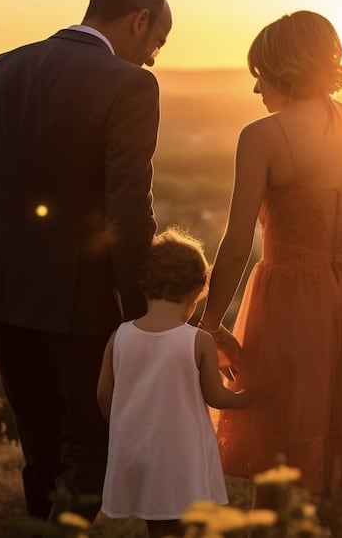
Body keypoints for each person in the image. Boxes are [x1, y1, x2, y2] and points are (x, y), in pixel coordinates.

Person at [0, 0, 171, 522]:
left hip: (1, 292)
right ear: (139, 20)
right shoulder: (130, 85)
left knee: (40, 451)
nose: (150, 61)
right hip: (83, 301)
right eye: (155, 46)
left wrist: (27, 241)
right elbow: (128, 210)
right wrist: (142, 311)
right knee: (88, 452)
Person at [198, 10, 342, 537]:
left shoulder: (261, 136)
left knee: (272, 479)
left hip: (291, 309)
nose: (255, 87)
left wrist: (207, 325)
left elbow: (235, 247)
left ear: (284, 68)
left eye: (260, 72)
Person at [97, 228, 250, 538]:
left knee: (156, 521)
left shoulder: (120, 336)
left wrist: (122, 428)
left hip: (136, 447)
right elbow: (216, 396)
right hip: (181, 452)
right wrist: (246, 397)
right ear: (196, 292)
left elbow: (103, 394)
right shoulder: (197, 340)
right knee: (183, 525)